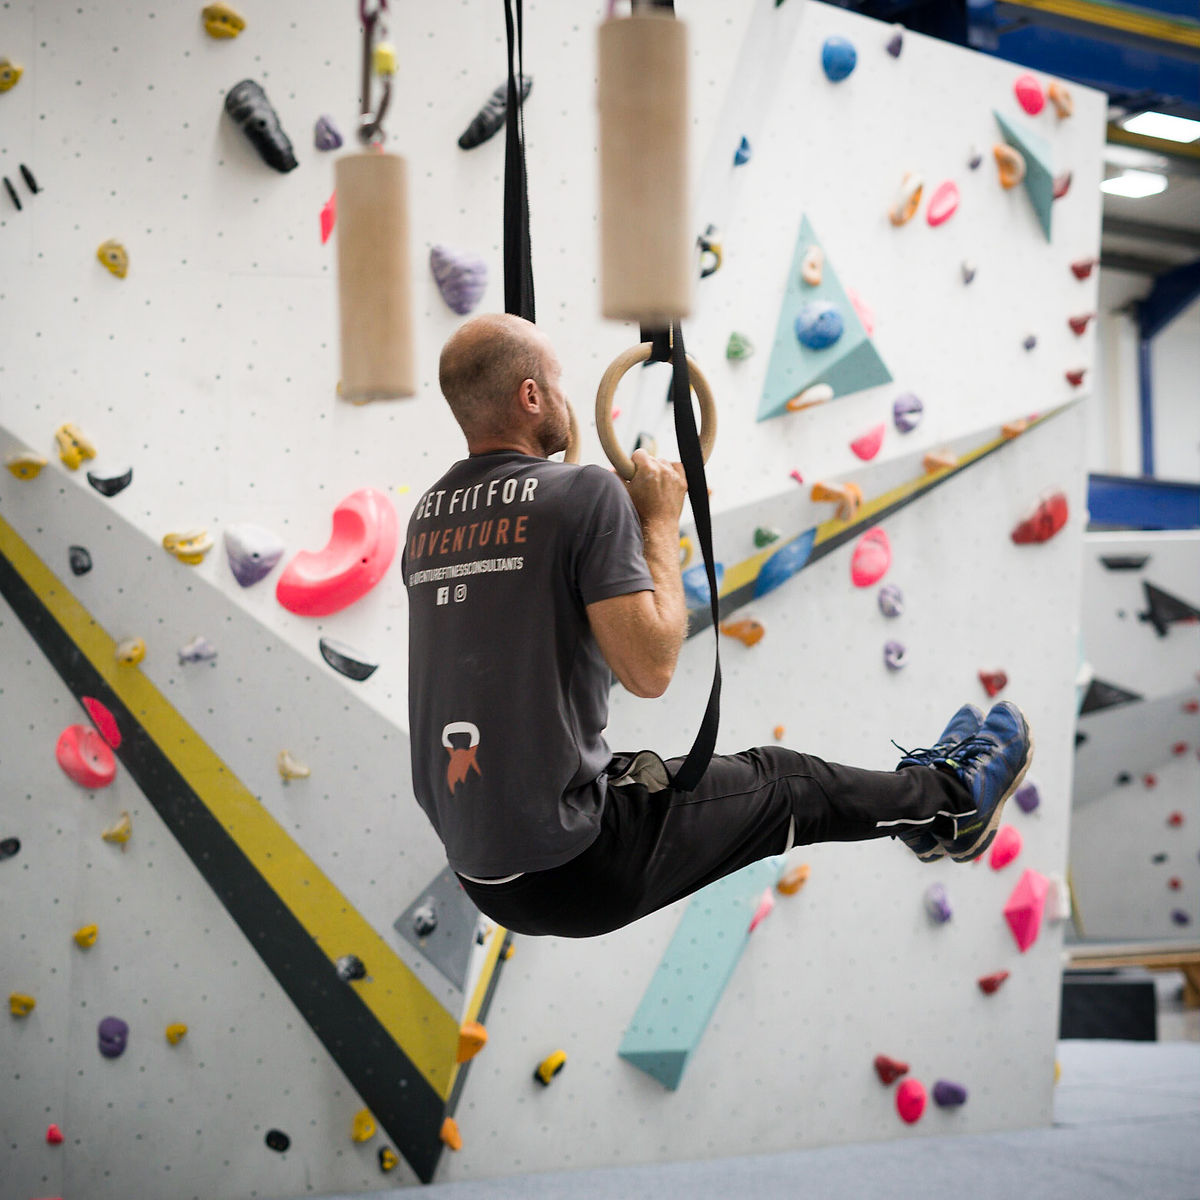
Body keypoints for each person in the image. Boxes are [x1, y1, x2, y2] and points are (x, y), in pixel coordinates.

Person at [404, 313, 1033, 938]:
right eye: (558, 380)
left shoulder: (425, 523)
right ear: (532, 396)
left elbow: (524, 633)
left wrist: (603, 539)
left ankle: (920, 820)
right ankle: (955, 805)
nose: (566, 394)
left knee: (675, 777)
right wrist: (655, 522)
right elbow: (649, 670)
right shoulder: (580, 496)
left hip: (486, 875)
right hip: (576, 863)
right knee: (788, 782)